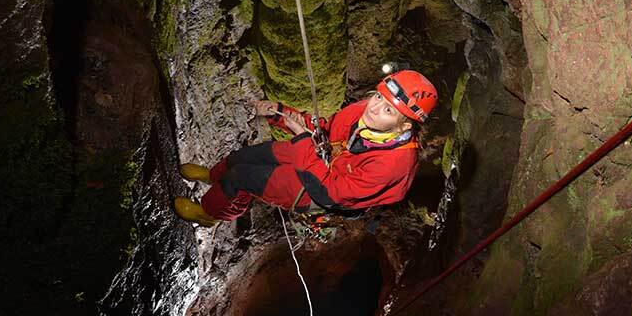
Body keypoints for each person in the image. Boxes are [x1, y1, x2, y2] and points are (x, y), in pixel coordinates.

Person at [173, 70, 438, 227]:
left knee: (241, 178)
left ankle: (209, 214)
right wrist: (281, 114)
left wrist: (302, 142)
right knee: (240, 158)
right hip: (318, 154)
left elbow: (330, 193)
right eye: (379, 96)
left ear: (405, 125)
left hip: (318, 191)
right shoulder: (363, 111)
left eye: (389, 110)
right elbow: (325, 128)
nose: (374, 108)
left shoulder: (393, 165)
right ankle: (212, 177)